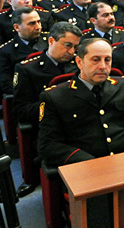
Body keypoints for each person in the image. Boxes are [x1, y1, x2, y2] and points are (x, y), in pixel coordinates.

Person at [38, 38, 124, 227]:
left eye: (107, 60)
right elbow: (48, 145)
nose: (102, 66)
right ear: (79, 62)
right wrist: (91, 165)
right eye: (95, 60)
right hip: (88, 173)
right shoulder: (55, 97)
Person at [12, 22, 81, 196]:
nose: (72, 52)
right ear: (51, 41)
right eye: (67, 45)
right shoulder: (27, 69)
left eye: (75, 47)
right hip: (48, 129)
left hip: (80, 123)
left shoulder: (78, 65)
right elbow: (21, 110)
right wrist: (54, 108)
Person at [0, 8, 49, 94]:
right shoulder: (6, 51)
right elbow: (7, 84)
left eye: (39, 22)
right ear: (17, 27)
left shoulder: (51, 41)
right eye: (32, 23)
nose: (38, 27)